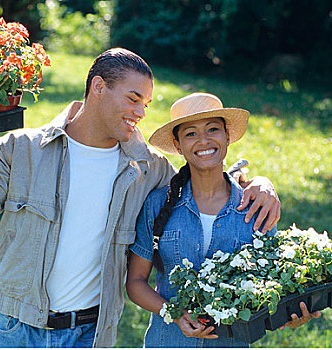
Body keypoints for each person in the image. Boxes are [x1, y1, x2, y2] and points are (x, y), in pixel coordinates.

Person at [0, 48, 281, 348]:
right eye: (133, 99)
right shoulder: (22, 149)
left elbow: (202, 176)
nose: (141, 113)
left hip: (90, 334)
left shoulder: (147, 167)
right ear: (98, 87)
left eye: (145, 103)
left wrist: (260, 182)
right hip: (15, 331)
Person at [126, 92, 320, 348]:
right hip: (167, 341)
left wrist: (292, 314)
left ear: (227, 135)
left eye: (213, 129)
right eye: (191, 133)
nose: (203, 140)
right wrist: (174, 314)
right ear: (178, 144)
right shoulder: (158, 203)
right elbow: (136, 283)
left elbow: (274, 286)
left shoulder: (255, 206)